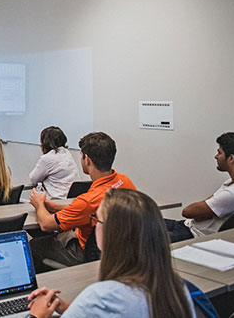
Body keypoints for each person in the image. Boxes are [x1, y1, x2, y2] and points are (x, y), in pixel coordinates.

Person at [28, 189, 196, 318]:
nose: (94, 225)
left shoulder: (102, 297)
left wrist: (36, 315)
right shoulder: (177, 289)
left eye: (97, 219)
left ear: (113, 233)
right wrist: (69, 309)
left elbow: (103, 308)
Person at [29, 132, 136, 272]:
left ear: (88, 160)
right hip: (120, 250)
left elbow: (46, 224)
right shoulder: (123, 181)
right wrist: (56, 207)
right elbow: (87, 209)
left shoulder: (89, 201)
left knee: (34, 245)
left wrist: (38, 204)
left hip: (86, 252)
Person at [165, 132, 234, 243]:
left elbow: (187, 211)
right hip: (187, 225)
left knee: (142, 236)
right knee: (141, 220)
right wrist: (205, 212)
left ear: (231, 158)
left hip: (192, 234)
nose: (216, 156)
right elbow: (204, 207)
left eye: (219, 153)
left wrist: (204, 212)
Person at [29, 126, 81, 198]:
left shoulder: (47, 159)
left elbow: (33, 179)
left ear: (45, 142)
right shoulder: (67, 153)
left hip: (57, 201)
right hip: (72, 199)